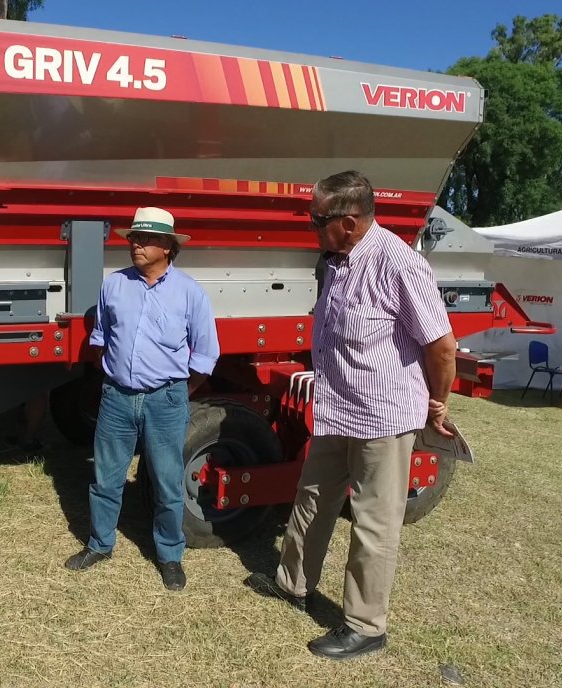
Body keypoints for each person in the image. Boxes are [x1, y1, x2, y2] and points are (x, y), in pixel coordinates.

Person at [245, 171, 456, 660]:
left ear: (347, 222)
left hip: (384, 417)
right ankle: (292, 583)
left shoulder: (399, 264)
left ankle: (365, 625)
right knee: (313, 495)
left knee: (374, 521)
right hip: (338, 407)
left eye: (316, 219)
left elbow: (442, 347)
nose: (310, 227)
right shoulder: (337, 260)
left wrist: (438, 403)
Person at [63, 206, 219, 591]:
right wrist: (115, 378)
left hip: (164, 401)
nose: (136, 244)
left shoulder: (189, 293)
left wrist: (180, 394)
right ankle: (100, 544)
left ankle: (169, 555)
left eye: (146, 239)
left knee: (167, 483)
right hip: (117, 398)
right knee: (106, 477)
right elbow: (100, 339)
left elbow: (205, 354)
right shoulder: (114, 285)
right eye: (134, 237)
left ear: (167, 246)